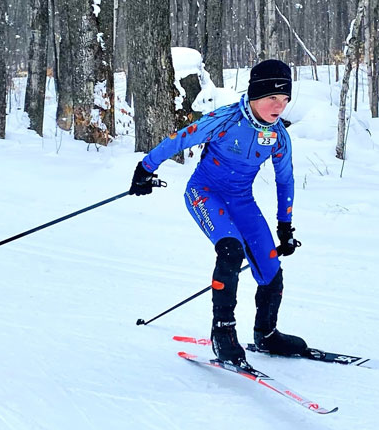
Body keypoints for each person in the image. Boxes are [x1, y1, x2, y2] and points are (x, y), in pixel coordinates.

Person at [129, 59, 307, 367]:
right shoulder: (226, 120)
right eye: (272, 98)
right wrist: (145, 168)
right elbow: (181, 138)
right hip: (205, 193)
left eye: (285, 99)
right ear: (254, 96)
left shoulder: (278, 136)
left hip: (241, 201)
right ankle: (222, 333)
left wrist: (285, 227)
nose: (280, 106)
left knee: (270, 267)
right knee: (230, 250)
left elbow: (285, 179)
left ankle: (266, 334)